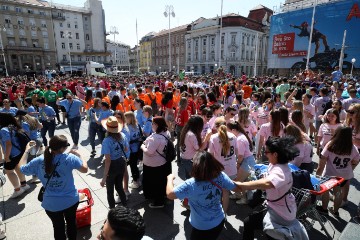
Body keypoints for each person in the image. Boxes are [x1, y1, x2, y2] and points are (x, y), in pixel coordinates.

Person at [236, 136, 308, 240]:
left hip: (281, 215)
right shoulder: (274, 164)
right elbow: (268, 178)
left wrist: (242, 185)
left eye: (266, 152)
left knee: (262, 231)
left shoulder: (281, 169)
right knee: (249, 222)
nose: (265, 154)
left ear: (275, 154)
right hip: (275, 208)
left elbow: (267, 183)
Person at [19, 135, 88, 240]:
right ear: (61, 148)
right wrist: (80, 155)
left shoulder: (39, 160)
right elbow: (85, 169)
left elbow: (22, 169)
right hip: (70, 200)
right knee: (71, 224)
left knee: (58, 227)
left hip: (51, 204)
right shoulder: (70, 158)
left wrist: (26, 151)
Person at [166, 151, 238, 240]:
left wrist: (170, 179)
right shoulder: (221, 176)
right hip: (219, 220)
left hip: (201, 226)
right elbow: (235, 188)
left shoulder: (191, 184)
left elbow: (170, 194)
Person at [316, 126, 359, 217]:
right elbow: (356, 160)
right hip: (344, 176)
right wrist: (350, 167)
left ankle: (324, 209)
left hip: (329, 174)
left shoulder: (331, 145)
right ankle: (335, 211)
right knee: (338, 192)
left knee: (325, 191)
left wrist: (317, 175)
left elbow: (321, 163)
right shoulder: (353, 148)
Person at [140, 116, 171, 208]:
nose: (151, 125)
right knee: (160, 182)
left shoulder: (156, 138)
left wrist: (142, 146)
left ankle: (158, 202)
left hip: (153, 165)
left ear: (157, 125)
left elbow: (149, 152)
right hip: (161, 162)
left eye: (153, 123)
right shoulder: (166, 132)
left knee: (155, 183)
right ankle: (161, 197)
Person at [208, 117, 237, 213]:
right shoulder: (233, 136)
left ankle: (216, 212)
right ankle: (223, 213)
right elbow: (236, 151)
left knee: (216, 192)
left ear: (216, 127)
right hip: (232, 168)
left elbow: (210, 155)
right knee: (226, 192)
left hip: (219, 169)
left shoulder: (214, 137)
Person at [100, 116, 129, 209]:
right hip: (121, 162)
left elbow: (107, 160)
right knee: (119, 187)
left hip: (112, 166)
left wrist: (104, 178)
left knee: (110, 191)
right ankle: (125, 206)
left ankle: (112, 211)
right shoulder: (123, 136)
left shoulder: (106, 141)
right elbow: (126, 149)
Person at [0, 113, 30, 198]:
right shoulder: (14, 127)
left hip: (11, 155)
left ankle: (17, 189)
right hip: (19, 152)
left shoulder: (3, 130)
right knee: (17, 167)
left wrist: (6, 157)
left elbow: (8, 144)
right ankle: (24, 185)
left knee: (9, 172)